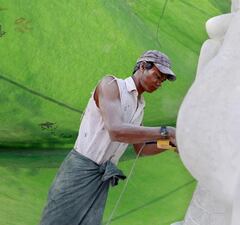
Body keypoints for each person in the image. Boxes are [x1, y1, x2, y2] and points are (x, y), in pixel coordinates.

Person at [40, 50, 177, 225]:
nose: (159, 83)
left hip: (100, 179)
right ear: (143, 66)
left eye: (163, 81)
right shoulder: (111, 85)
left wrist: (171, 144)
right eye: (157, 76)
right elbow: (116, 131)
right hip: (79, 171)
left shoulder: (140, 105)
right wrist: (167, 131)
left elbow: (140, 148)